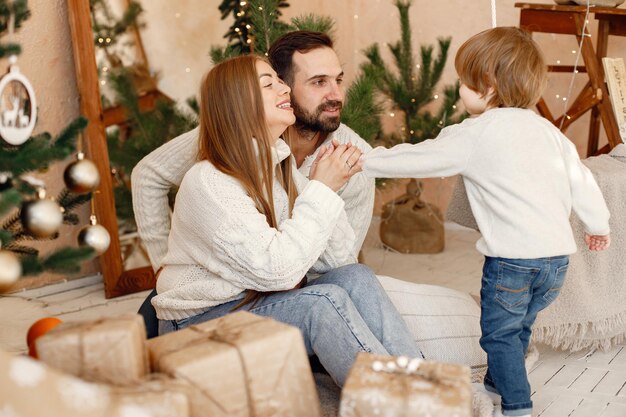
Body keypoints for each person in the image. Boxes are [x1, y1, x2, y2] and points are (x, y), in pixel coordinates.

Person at [361, 27, 611, 417]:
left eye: (465, 81)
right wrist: (599, 226)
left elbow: (420, 157)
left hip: (513, 262)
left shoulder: (475, 133)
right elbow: (582, 181)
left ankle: (517, 406)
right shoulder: (549, 132)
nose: (460, 88)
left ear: (489, 85)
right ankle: (498, 382)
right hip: (557, 263)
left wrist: (365, 160)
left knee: (498, 335)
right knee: (519, 327)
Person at [152, 54, 420, 387]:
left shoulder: (279, 166)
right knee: (321, 304)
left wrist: (325, 189)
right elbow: (278, 271)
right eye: (269, 84)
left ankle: (423, 386)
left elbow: (337, 261)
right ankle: (406, 402)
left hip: (255, 303)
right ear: (238, 105)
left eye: (280, 81)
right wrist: (321, 189)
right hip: (197, 327)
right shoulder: (209, 181)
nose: (283, 89)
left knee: (355, 276)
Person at [131, 31, 374, 271]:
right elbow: (148, 175)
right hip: (239, 289)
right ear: (282, 86)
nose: (337, 95)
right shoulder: (235, 134)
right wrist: (163, 266)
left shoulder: (356, 157)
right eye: (319, 82)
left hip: (292, 285)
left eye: (338, 80)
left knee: (357, 280)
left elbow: (344, 264)